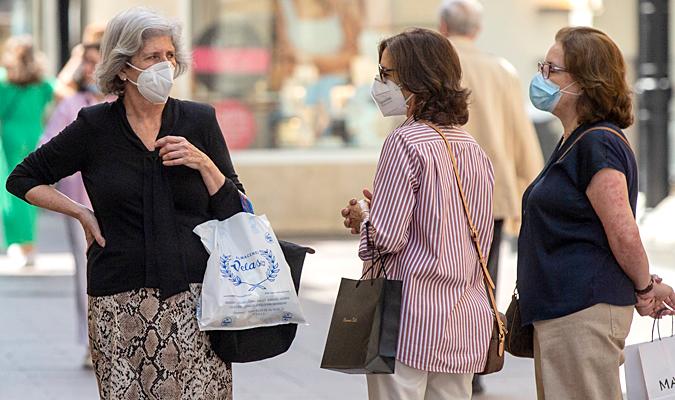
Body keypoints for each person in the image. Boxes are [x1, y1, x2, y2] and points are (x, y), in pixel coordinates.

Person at [7, 8, 245, 399]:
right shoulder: (94, 127)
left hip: (198, 299)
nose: (165, 66)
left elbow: (236, 208)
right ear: (123, 66)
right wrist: (80, 211)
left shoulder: (198, 122)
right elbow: (22, 178)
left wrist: (203, 163)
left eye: (170, 56)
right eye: (153, 57)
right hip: (118, 301)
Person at [517, 26, 675, 400]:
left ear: (585, 82)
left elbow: (622, 229)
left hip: (581, 312)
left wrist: (645, 287)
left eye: (551, 70)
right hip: (566, 311)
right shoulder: (575, 140)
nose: (542, 78)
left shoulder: (597, 142)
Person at [341, 28, 494, 400]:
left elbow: (387, 237)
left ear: (416, 78)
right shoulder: (471, 147)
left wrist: (365, 218)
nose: (379, 83)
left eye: (386, 74)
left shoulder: (405, 140)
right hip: (463, 316)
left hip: (404, 316)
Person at [437, 0, 544, 393]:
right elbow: (520, 134)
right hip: (493, 194)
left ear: (443, 26)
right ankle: (478, 361)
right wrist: (528, 189)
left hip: (442, 191)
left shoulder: (438, 67)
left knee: (439, 277)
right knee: (486, 280)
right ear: (476, 30)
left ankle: (446, 355)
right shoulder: (502, 70)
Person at [39, 37, 113, 368]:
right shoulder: (71, 106)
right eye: (86, 62)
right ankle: (92, 344)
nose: (89, 69)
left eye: (95, 61)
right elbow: (47, 146)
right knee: (87, 276)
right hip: (78, 207)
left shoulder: (123, 104)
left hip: (120, 204)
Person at [0, 35, 55, 265]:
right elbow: (55, 96)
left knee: (10, 188)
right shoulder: (42, 82)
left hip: (10, 137)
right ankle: (29, 243)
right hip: (35, 136)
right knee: (32, 186)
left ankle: (18, 243)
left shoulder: (4, 82)